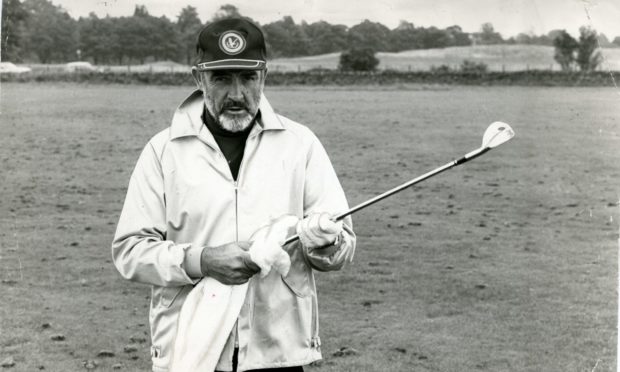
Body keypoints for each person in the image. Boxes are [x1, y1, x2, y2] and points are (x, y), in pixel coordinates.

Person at [111, 18, 356, 372]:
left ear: (264, 76)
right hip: (191, 352)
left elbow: (343, 244)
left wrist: (325, 244)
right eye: (222, 78)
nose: (237, 94)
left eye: (248, 77)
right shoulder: (163, 151)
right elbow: (130, 250)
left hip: (278, 354)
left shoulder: (301, 145)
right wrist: (203, 260)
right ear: (199, 78)